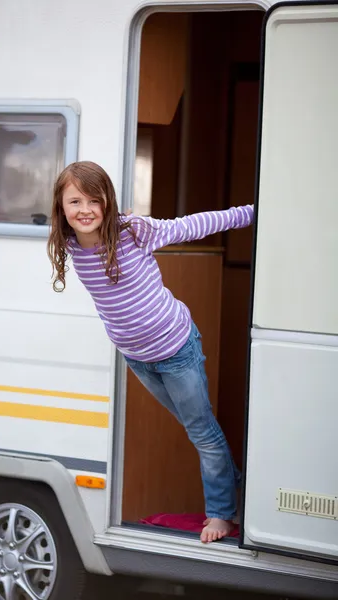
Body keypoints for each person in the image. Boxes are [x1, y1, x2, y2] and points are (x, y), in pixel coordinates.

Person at [47, 161, 254, 543]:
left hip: (176, 348)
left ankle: (223, 513)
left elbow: (193, 224)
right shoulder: (71, 244)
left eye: (95, 199)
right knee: (200, 429)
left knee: (202, 432)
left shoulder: (133, 233)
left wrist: (253, 213)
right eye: (75, 201)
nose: (85, 209)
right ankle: (242, 488)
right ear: (61, 207)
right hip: (137, 358)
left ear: (108, 202)